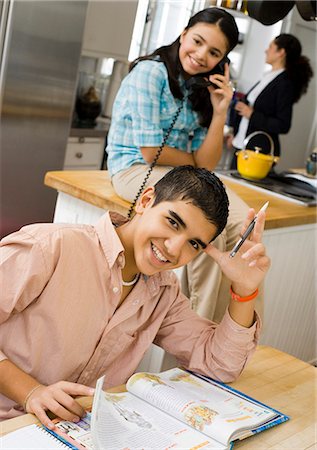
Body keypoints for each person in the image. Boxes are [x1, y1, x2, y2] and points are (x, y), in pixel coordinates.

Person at [0, 166, 270, 429]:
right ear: (145, 200)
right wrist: (30, 391)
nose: (174, 248)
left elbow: (220, 366)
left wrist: (244, 291)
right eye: (173, 222)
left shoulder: (164, 294)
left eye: (194, 243)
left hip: (71, 432)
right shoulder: (50, 247)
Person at [106, 7, 255, 323]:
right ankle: (203, 325)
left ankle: (233, 327)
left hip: (176, 175)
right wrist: (195, 162)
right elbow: (151, 152)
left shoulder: (198, 88)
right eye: (197, 41)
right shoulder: (151, 73)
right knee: (207, 228)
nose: (201, 55)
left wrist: (219, 111)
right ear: (184, 34)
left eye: (214, 52)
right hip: (133, 169)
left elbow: (208, 163)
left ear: (222, 61)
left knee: (244, 226)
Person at [228, 33, 313, 169]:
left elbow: (283, 125)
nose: (266, 50)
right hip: (243, 146)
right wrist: (236, 135)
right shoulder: (268, 77)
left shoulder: (285, 83)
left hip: (259, 152)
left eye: (271, 47)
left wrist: (251, 114)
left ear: (281, 52)